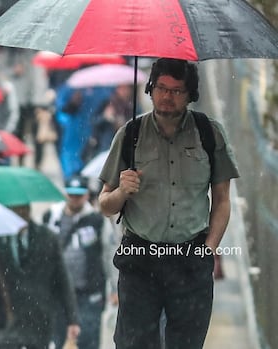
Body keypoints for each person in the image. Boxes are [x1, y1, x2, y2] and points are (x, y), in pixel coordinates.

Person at [98, 58, 240, 349]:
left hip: (190, 258)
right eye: (161, 88)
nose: (167, 96)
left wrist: (208, 250)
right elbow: (104, 204)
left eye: (177, 90)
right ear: (150, 89)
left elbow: (223, 200)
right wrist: (122, 192)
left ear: (191, 95)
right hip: (139, 258)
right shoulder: (129, 135)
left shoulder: (209, 134)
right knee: (134, 343)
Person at [42, 176, 118, 349]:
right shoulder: (51, 218)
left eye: (79, 195)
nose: (74, 198)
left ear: (86, 196)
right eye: (71, 194)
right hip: (57, 291)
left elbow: (109, 254)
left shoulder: (97, 221)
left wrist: (115, 288)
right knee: (58, 339)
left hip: (89, 292)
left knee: (88, 339)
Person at [0, 204, 80, 349]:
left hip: (39, 318)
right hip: (8, 318)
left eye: (23, 209)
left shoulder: (47, 238)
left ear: (28, 210)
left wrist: (72, 319)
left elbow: (63, 279)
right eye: (15, 210)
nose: (19, 213)